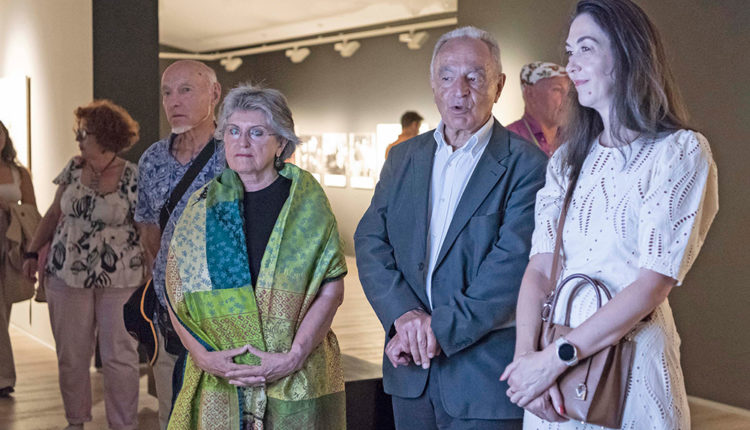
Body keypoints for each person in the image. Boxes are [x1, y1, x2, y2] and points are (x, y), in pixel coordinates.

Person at [500, 1, 719, 428]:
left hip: (629, 368)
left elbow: (651, 285)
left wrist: (555, 359)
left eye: (586, 48)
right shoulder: (566, 160)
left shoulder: (677, 153)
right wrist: (528, 361)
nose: (571, 65)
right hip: (554, 377)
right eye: (569, 51)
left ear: (627, 52)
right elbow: (540, 270)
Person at [354, 27, 547, 429]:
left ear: (498, 86)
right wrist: (403, 315)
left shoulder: (527, 165)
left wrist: (436, 331)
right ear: (433, 84)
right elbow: (370, 241)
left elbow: (511, 267)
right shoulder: (403, 158)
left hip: (482, 381)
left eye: (474, 76)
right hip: (410, 373)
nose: (459, 90)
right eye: (447, 76)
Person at [164, 84, 347, 429]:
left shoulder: (307, 203)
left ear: (282, 142)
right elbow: (176, 293)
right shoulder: (202, 206)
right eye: (233, 131)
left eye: (257, 132)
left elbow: (331, 289)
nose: (242, 142)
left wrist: (293, 357)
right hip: (220, 377)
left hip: (294, 372)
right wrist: (202, 356)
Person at [22, 100, 146, 430]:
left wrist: (153, 269)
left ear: (104, 136)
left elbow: (143, 225)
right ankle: (75, 421)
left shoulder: (133, 175)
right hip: (66, 272)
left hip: (120, 276)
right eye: (78, 132)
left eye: (84, 133)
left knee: (120, 355)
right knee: (71, 355)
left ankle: (124, 425)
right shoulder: (73, 169)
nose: (78, 139)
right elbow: (53, 214)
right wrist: (32, 254)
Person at [134, 59, 224, 430]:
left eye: (186, 90)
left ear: (214, 94)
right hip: (168, 313)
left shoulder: (235, 154)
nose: (174, 101)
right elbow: (147, 228)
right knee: (172, 412)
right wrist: (167, 281)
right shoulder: (153, 159)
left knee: (222, 414)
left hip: (225, 314)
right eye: (167, 92)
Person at [0, 120, 37, 398]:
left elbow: (32, 210)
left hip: (10, 243)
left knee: (5, 310)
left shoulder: (18, 172)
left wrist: (9, 207)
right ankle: (4, 376)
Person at [506, 62, 570, 156]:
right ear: (529, 93)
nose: (566, 99)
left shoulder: (572, 136)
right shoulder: (509, 138)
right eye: (557, 90)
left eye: (568, 92)